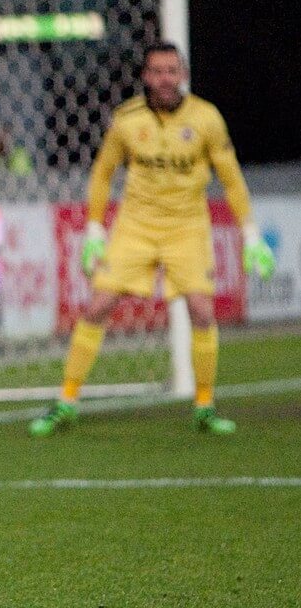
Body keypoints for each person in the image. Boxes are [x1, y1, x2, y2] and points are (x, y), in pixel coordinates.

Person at [29, 42, 276, 438]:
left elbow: (230, 176)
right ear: (146, 76)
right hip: (136, 226)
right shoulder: (126, 120)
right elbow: (102, 173)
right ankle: (66, 402)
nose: (165, 78)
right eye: (157, 71)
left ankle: (205, 406)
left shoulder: (206, 118)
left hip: (186, 226)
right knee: (98, 306)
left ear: (183, 75)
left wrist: (250, 235)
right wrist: (94, 228)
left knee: (202, 311)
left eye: (172, 71)